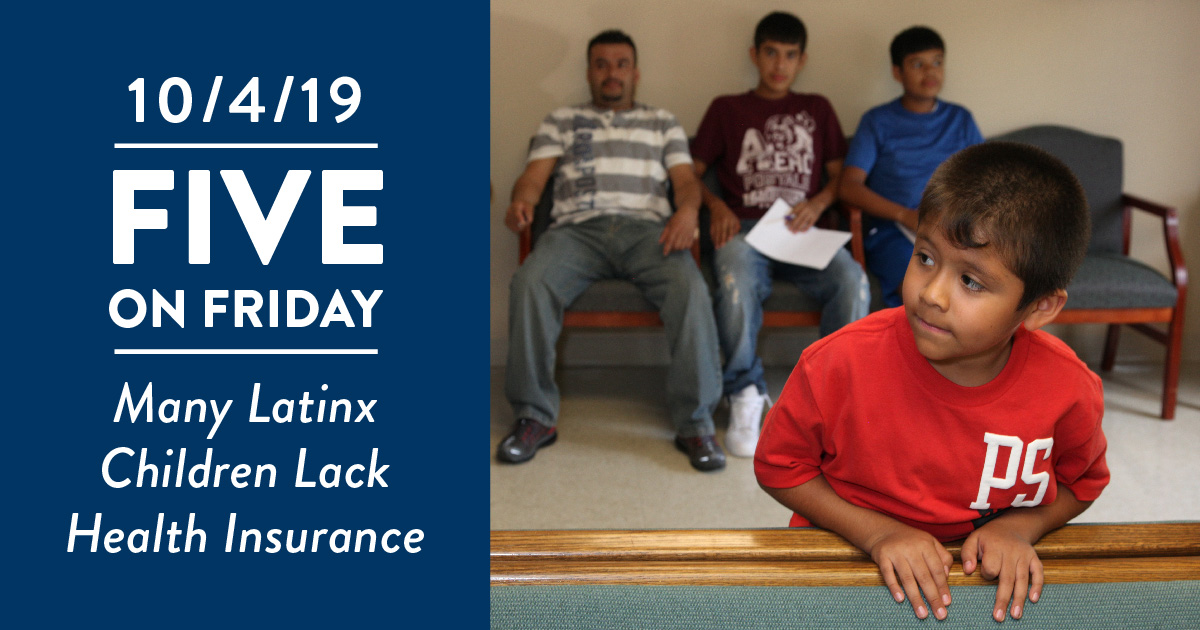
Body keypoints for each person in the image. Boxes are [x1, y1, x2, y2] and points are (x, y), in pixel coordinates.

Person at [755, 142, 1109, 623]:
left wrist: (1025, 525)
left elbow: (1083, 480)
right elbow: (779, 467)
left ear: (1039, 308)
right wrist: (878, 533)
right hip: (842, 565)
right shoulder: (833, 364)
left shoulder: (1069, 390)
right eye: (924, 257)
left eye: (972, 282)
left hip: (972, 592)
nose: (932, 294)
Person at [499, 30, 726, 472]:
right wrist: (521, 200)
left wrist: (687, 214)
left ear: (635, 73)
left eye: (621, 64)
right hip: (576, 231)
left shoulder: (663, 121)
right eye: (601, 64)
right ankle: (534, 416)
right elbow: (533, 177)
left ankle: (695, 424)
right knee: (528, 282)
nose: (611, 73)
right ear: (589, 72)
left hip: (648, 231)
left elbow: (685, 182)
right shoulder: (560, 119)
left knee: (691, 289)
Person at [691, 12, 868, 458]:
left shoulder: (818, 108)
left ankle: (832, 399)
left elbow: (839, 178)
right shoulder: (726, 109)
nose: (779, 64)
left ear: (802, 60)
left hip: (801, 227)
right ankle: (745, 393)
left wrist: (820, 203)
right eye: (771, 52)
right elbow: (686, 176)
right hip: (746, 227)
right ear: (755, 55)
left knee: (852, 281)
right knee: (732, 275)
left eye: (790, 55)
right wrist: (715, 206)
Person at [839, 26, 984, 307]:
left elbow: (986, 181)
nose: (930, 73)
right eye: (918, 64)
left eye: (937, 62)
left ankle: (963, 352)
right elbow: (848, 186)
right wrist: (904, 214)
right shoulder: (876, 121)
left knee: (983, 285)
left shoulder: (960, 119)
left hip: (955, 230)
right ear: (897, 72)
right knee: (920, 289)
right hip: (894, 230)